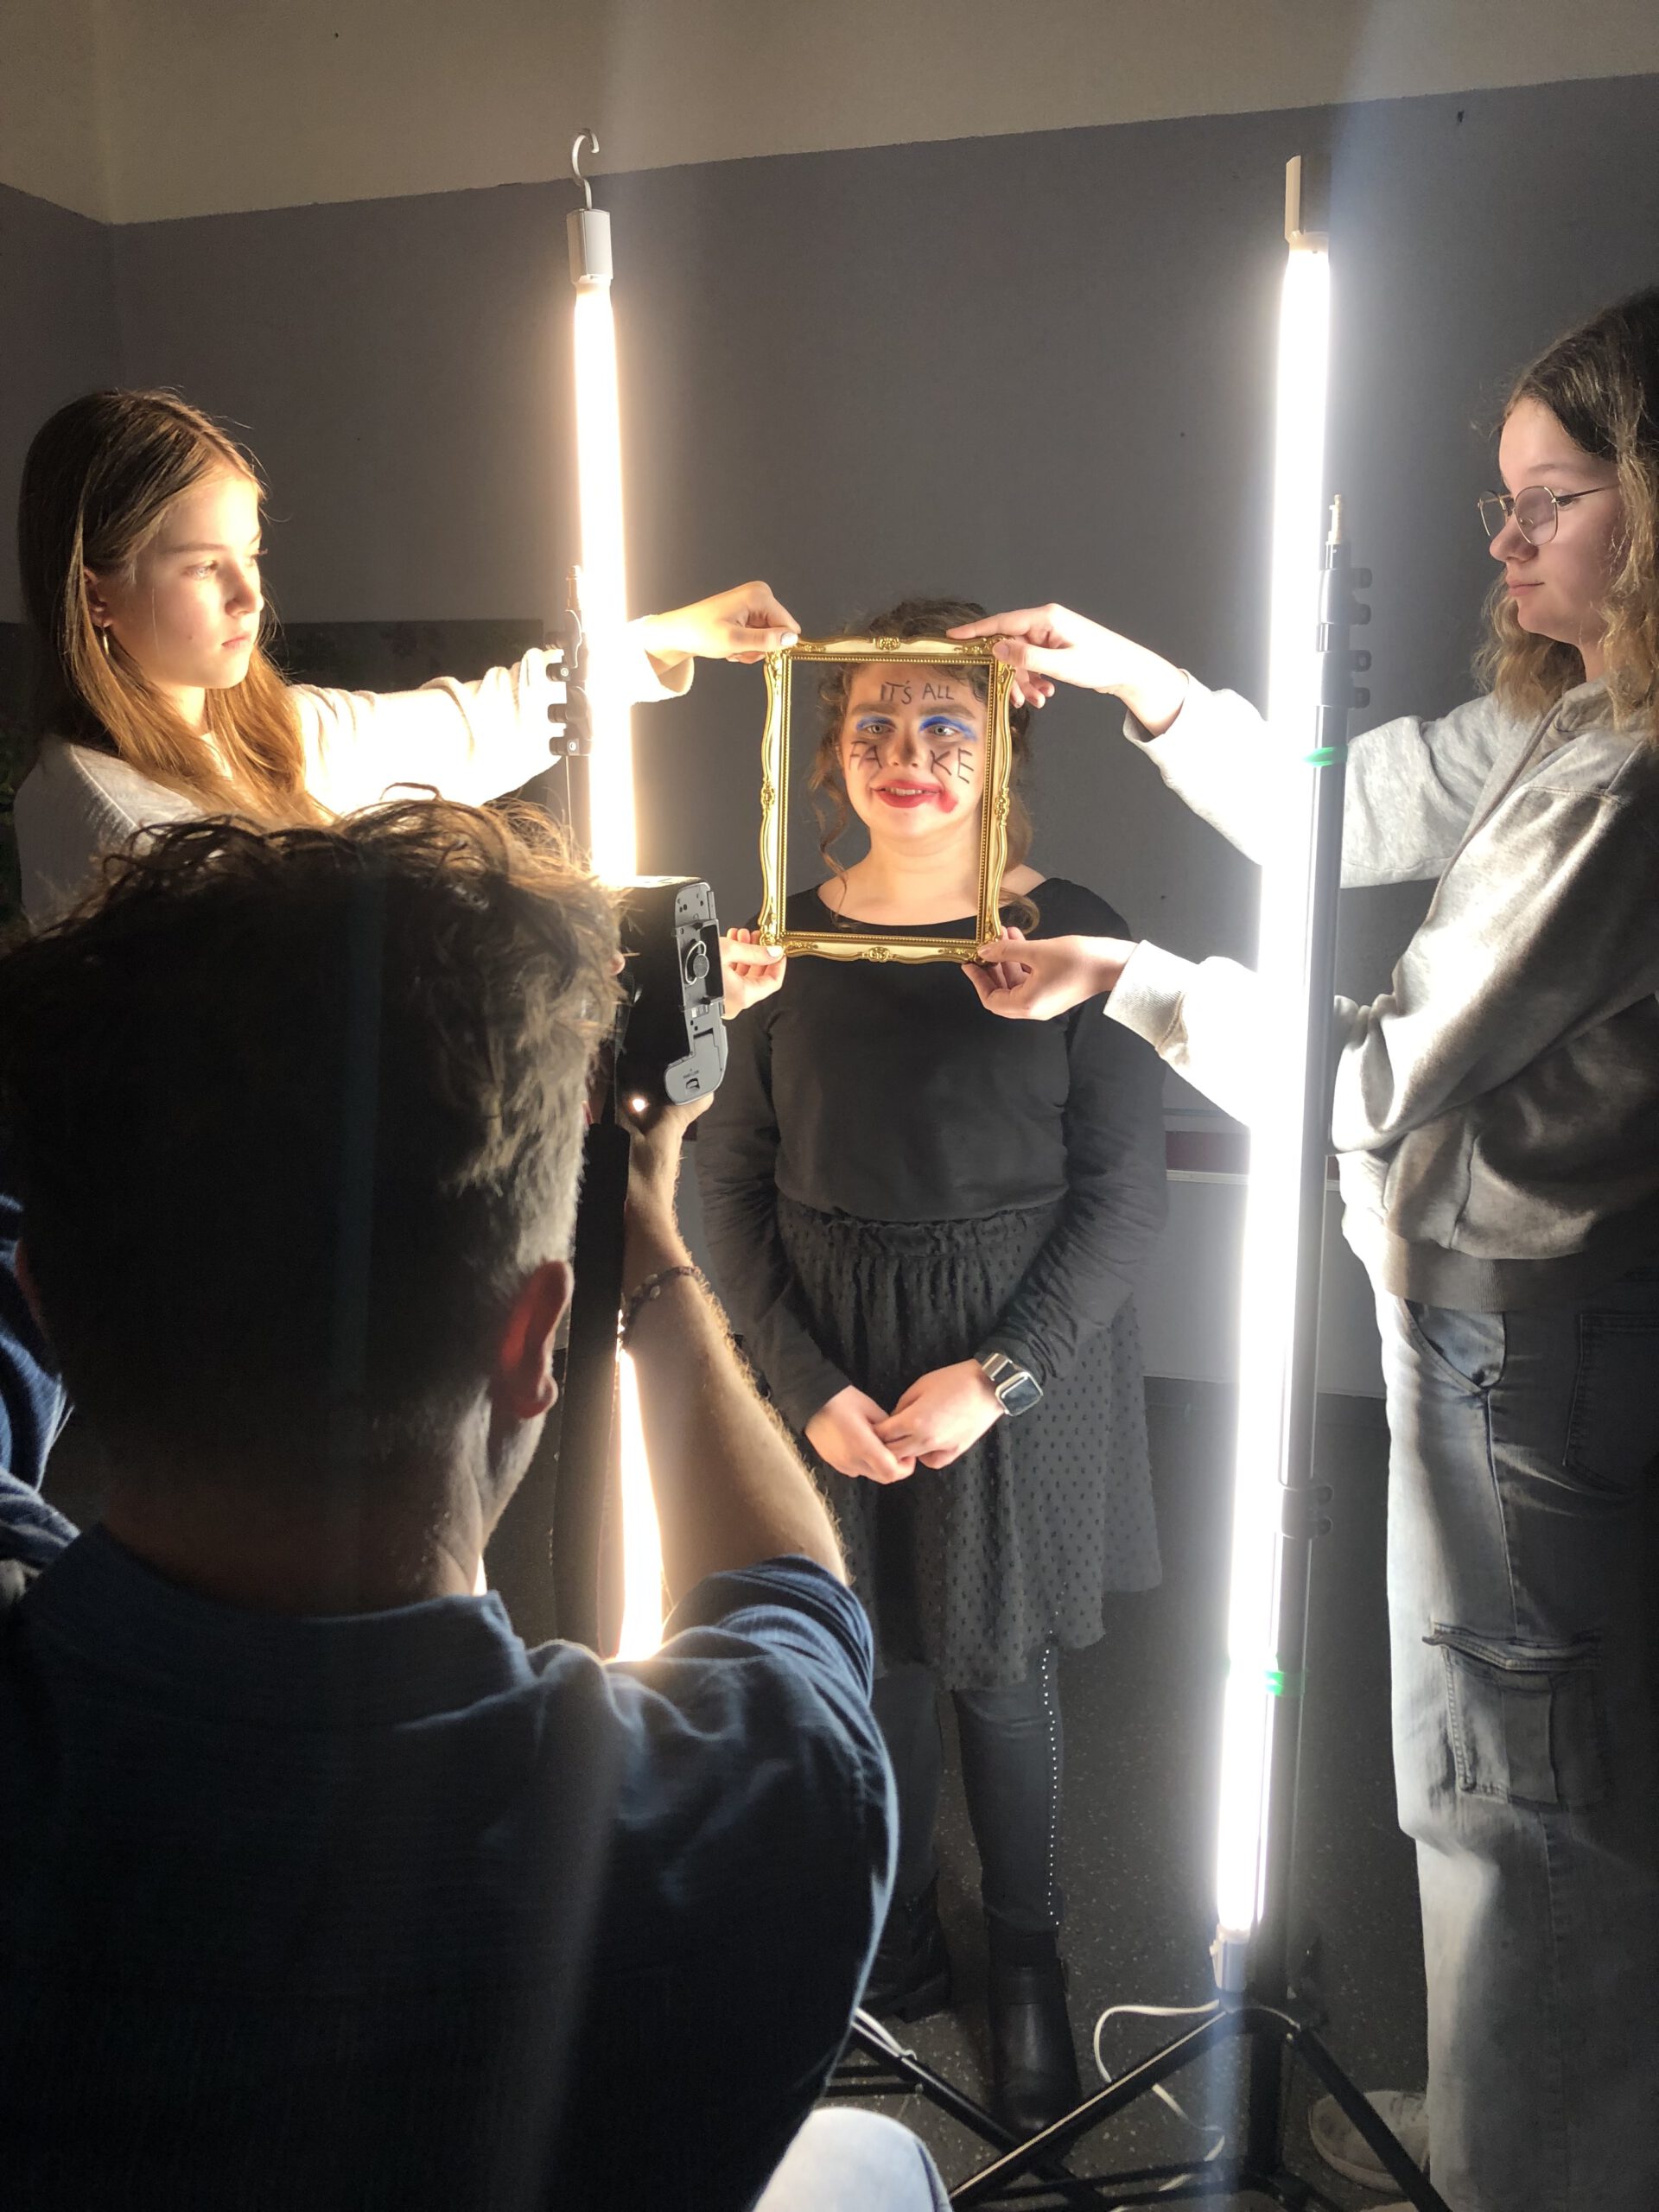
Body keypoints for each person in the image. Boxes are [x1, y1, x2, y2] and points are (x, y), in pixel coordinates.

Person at [953, 287, 1659, 2212]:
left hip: (1525, 1352)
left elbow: (1381, 1081)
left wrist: (1135, 982)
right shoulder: (1576, 714)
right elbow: (1342, 801)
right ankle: (1511, 2121)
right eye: (1505, 501)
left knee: (1523, 1794)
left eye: (1553, 500)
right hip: (1490, 1328)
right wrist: (1133, 679)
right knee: (1481, 1772)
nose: (1506, 540)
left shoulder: (1628, 785)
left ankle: (1535, 2168)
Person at [0, 799, 946, 2211]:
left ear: (53, 1300)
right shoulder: (737, 1826)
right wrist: (647, 1233)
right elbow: (791, 1601)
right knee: (879, 2165)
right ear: (532, 1341)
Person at [696, 597, 1169, 2135]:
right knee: (876, 1658)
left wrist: (1001, 1375)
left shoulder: (1073, 931)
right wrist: (800, 1383)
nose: (911, 753)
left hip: (1007, 1346)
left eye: (947, 724)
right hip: (831, 1348)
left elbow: (1124, 1197)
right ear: (829, 748)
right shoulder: (782, 938)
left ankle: (1026, 1963)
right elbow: (726, 1183)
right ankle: (889, 1942)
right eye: (879, 724)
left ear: (1002, 743)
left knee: (1000, 1670)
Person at [10, 387, 798, 969]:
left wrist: (661, 638)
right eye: (202, 567)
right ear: (95, 593)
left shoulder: (266, 730)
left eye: (251, 554)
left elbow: (466, 732)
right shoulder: (119, 829)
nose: (250, 596)